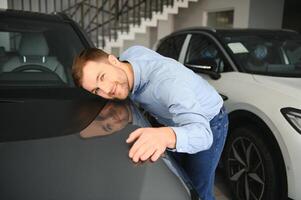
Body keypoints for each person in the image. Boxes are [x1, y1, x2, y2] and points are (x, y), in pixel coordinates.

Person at [72, 46, 229, 200]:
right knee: (180, 182)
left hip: (209, 121)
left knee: (198, 191)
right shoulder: (131, 54)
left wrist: (165, 135)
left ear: (113, 60)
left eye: (102, 76)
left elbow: (203, 135)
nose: (106, 91)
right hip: (175, 119)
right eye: (96, 90)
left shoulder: (167, 84)